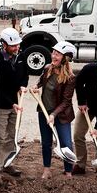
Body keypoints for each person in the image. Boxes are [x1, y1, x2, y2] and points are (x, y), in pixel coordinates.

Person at [31, 41, 76, 178]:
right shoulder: (47, 68)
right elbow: (42, 80)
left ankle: (68, 171)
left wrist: (53, 114)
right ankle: (47, 170)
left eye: (58, 54)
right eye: (54, 53)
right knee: (46, 142)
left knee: (66, 143)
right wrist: (36, 86)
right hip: (44, 112)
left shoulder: (70, 78)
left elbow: (66, 102)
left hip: (61, 115)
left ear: (65, 58)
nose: (54, 56)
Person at [0, 27, 29, 176]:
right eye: (13, 45)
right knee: (0, 136)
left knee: (12, 135)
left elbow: (25, 74)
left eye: (18, 45)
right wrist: (11, 103)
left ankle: (7, 163)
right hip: (1, 105)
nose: (16, 48)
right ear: (4, 45)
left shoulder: (20, 57)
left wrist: (22, 86)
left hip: (16, 103)